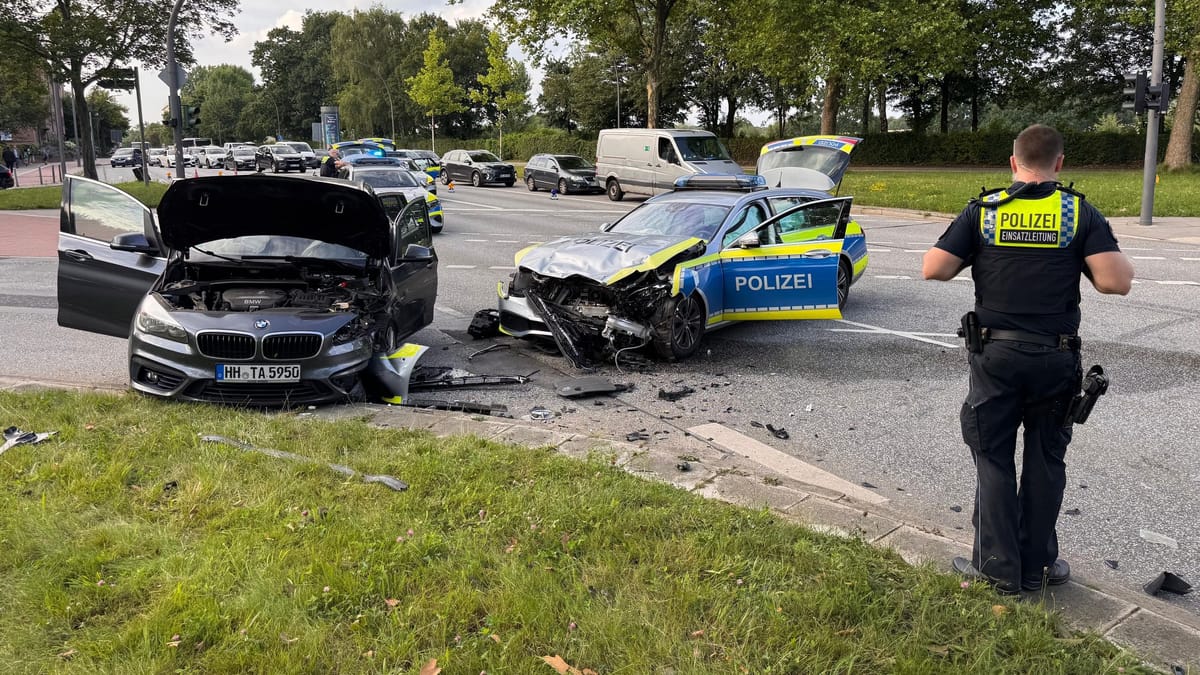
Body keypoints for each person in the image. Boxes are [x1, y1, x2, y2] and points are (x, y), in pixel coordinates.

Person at [921, 124, 1134, 595]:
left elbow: (933, 267)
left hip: (994, 354)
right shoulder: (1078, 212)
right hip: (1055, 358)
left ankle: (996, 570)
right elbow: (1116, 282)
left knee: (993, 457)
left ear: (1013, 163)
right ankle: (1038, 568)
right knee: (1045, 458)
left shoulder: (986, 210)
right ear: (1060, 163)